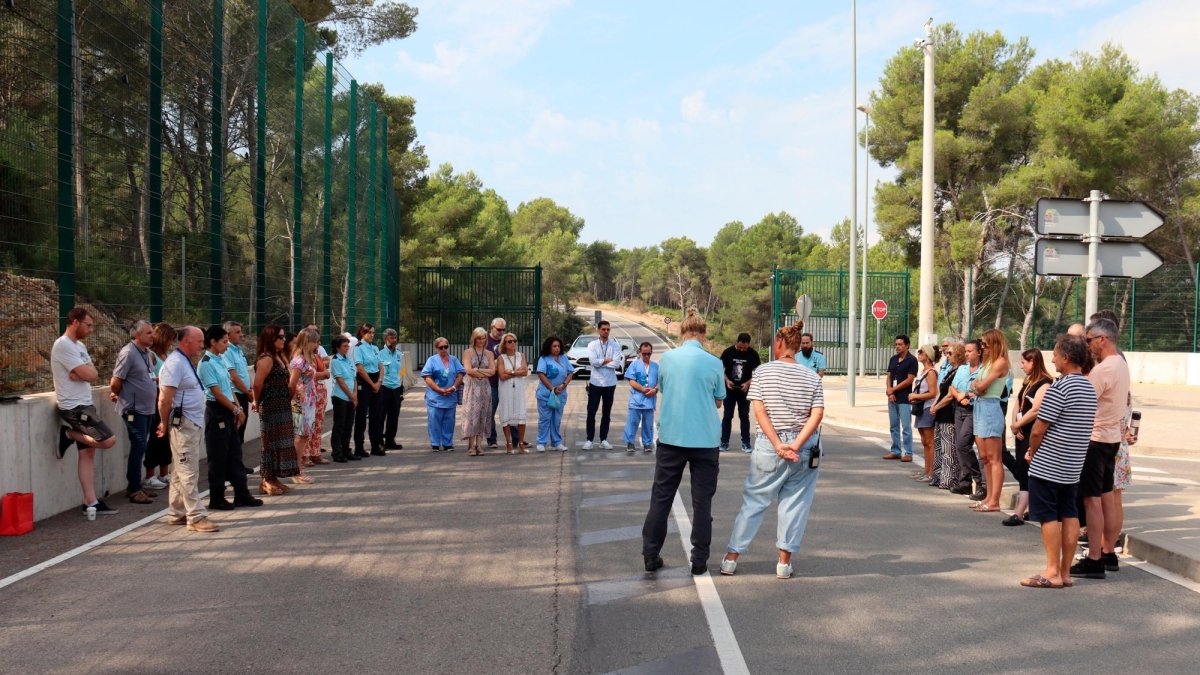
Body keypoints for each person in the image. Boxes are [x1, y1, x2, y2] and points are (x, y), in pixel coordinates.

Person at [720, 320, 824, 580]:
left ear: (779, 343)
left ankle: (732, 559)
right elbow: (818, 413)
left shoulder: (764, 372)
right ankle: (783, 563)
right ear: (799, 346)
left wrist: (778, 444)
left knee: (754, 501)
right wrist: (796, 444)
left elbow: (759, 411)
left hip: (771, 444)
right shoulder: (811, 376)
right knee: (795, 504)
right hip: (803, 446)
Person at [641, 309, 725, 576]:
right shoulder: (714, 362)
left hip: (672, 438)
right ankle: (699, 560)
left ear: (682, 332)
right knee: (702, 502)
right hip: (704, 440)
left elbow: (664, 389)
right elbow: (719, 399)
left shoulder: (667, 359)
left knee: (661, 498)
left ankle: (651, 554)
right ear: (703, 333)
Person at [1020, 334, 1096, 589]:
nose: (1052, 358)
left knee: (1048, 516)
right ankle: (1064, 572)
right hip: (1073, 464)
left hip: (1050, 462)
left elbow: (1039, 428)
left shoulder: (1060, 387)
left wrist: (1032, 451)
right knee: (1069, 513)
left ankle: (1052, 570)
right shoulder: (1088, 386)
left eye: (1054, 353)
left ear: (1066, 357)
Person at [1070, 317, 1130, 579]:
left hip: (1095, 440)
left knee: (1092, 501)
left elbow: (1082, 402)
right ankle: (1106, 552)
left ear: (1102, 339)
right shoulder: (1120, 364)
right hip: (1111, 439)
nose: (1087, 344)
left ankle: (1094, 558)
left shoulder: (1103, 370)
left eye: (1089, 340)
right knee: (1107, 498)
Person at [52, 307, 119, 516]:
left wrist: (83, 373)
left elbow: (93, 373)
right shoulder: (63, 345)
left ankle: (90, 501)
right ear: (75, 323)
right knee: (108, 441)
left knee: (88, 452)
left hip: (85, 403)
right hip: (73, 407)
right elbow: (88, 374)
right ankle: (68, 434)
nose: (91, 329)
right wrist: (84, 373)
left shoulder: (79, 345)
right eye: (88, 325)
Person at [155, 326, 217, 532]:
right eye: (199, 341)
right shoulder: (174, 364)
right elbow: (164, 398)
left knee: (180, 469)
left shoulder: (183, 362)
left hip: (192, 422)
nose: (202, 345)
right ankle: (196, 516)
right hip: (183, 424)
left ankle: (177, 512)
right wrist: (164, 422)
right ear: (186, 341)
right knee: (189, 469)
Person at [197, 325, 261, 510]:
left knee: (235, 454)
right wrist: (235, 410)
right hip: (217, 412)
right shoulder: (207, 363)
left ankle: (242, 494)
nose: (226, 345)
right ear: (213, 342)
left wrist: (238, 407)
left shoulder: (219, 360)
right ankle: (216, 498)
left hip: (230, 409)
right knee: (218, 457)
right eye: (224, 342)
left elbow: (229, 388)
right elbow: (217, 393)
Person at [108, 320, 157, 505]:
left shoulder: (146, 353)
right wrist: (120, 395)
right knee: (139, 446)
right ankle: (134, 488)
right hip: (133, 409)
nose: (152, 336)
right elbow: (116, 381)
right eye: (149, 333)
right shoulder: (128, 353)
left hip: (147, 408)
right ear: (137, 335)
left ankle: (137, 485)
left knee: (142, 445)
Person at [1003, 349, 1052, 526]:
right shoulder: (1029, 380)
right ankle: (1029, 509)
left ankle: (1020, 512)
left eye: (1024, 362)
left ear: (1033, 362)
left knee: (1030, 470)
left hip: (1033, 431)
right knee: (1024, 470)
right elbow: (1018, 402)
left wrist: (1019, 424)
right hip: (1022, 431)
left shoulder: (1045, 382)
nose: (1021, 366)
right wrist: (1014, 423)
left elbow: (1036, 409)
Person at [253, 325, 299, 494]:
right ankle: (266, 480)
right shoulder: (266, 359)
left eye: (283, 337)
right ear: (271, 339)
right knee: (270, 443)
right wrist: (256, 402)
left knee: (282, 442)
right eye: (280, 337)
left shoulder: (279, 357)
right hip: (271, 407)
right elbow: (257, 384)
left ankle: (274, 478)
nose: (284, 340)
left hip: (282, 405)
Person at [970, 329, 1011, 513]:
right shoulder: (988, 363)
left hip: (990, 407)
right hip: (980, 406)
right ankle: (988, 496)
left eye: (986, 344)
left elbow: (982, 387)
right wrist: (978, 386)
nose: (983, 347)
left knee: (995, 458)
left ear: (995, 343)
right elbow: (974, 385)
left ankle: (995, 500)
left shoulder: (1001, 362)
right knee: (985, 457)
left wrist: (978, 386)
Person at [289, 328, 326, 482]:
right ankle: (296, 472)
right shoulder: (299, 360)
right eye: (315, 342)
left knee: (304, 436)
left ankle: (298, 470)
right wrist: (297, 398)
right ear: (307, 342)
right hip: (301, 403)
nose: (317, 345)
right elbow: (292, 383)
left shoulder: (308, 358)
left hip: (309, 402)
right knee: (300, 437)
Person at [948, 340, 984, 497]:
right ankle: (965, 482)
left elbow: (979, 389)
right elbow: (953, 387)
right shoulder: (962, 369)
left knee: (964, 444)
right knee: (959, 446)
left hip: (973, 410)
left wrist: (967, 397)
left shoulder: (983, 370)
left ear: (979, 352)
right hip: (959, 408)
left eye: (970, 351)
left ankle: (980, 481)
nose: (967, 354)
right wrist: (959, 397)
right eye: (966, 351)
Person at [143, 322, 175, 490]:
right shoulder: (152, 355)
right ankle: (149, 474)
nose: (171, 343)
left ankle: (164, 471)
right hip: (156, 397)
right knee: (156, 437)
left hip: (167, 396)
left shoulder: (166, 355)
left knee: (166, 438)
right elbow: (147, 377)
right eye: (169, 339)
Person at [928, 343, 965, 490]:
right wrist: (935, 405)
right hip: (940, 413)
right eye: (946, 353)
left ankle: (949, 479)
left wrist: (937, 406)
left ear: (958, 354)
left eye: (950, 353)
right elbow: (942, 392)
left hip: (949, 413)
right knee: (939, 447)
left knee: (948, 448)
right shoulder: (950, 370)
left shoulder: (960, 371)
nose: (947, 356)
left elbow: (950, 395)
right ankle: (937, 476)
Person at [223, 321, 256, 477]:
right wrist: (248, 393)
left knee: (240, 433)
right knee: (234, 433)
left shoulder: (238, 350)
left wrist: (249, 391)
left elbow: (243, 373)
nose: (241, 334)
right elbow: (234, 377)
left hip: (244, 394)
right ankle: (231, 467)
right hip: (235, 396)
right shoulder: (227, 351)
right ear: (228, 335)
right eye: (237, 332)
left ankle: (237, 464)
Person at [720, 332, 761, 453]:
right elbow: (719, 370)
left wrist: (748, 383)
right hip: (729, 390)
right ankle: (724, 442)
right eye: (740, 347)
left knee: (744, 417)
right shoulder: (728, 352)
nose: (742, 350)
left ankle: (746, 443)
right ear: (737, 342)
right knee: (727, 416)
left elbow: (758, 372)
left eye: (745, 348)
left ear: (748, 344)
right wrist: (727, 380)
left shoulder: (753, 354)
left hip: (744, 391)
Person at [584, 320, 622, 450]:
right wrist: (606, 360)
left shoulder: (615, 345)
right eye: (603, 329)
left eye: (608, 329)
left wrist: (602, 362)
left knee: (606, 413)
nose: (606, 331)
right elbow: (593, 362)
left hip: (610, 383)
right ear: (598, 330)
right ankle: (589, 439)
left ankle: (603, 439)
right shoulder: (592, 345)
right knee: (591, 412)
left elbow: (616, 363)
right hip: (595, 382)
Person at [421, 337, 464, 451]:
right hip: (435, 396)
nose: (444, 349)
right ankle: (435, 443)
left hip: (451, 395)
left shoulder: (454, 360)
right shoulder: (431, 360)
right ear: (436, 348)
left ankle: (447, 443)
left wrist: (454, 387)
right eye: (441, 347)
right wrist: (439, 390)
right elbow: (427, 377)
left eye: (446, 347)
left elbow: (460, 374)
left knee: (449, 420)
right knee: (434, 420)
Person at [882, 334, 919, 462]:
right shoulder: (893, 359)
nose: (897, 347)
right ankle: (896, 451)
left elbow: (910, 379)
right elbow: (889, 376)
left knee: (906, 427)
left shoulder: (912, 360)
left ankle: (908, 452)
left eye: (900, 344)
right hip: (892, 398)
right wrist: (889, 391)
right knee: (893, 426)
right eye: (896, 344)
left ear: (907, 345)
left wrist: (894, 389)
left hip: (904, 398)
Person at [535, 336, 574, 453]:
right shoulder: (544, 359)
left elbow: (570, 372)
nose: (557, 348)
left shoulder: (564, 358)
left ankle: (556, 442)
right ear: (549, 347)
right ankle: (541, 442)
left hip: (560, 394)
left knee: (556, 419)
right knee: (545, 418)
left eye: (558, 346)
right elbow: (541, 374)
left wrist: (564, 384)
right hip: (546, 394)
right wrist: (552, 388)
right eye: (554, 346)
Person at [462, 327, 496, 456]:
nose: (481, 341)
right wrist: (481, 371)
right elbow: (468, 370)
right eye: (479, 338)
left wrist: (477, 370)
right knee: (471, 415)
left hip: (485, 387)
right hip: (472, 387)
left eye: (483, 338)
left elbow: (493, 371)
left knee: (483, 414)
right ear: (474, 339)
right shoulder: (468, 352)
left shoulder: (489, 353)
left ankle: (479, 445)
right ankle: (471, 446)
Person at [908, 345, 940, 482]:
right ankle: (926, 470)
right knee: (924, 441)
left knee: (929, 441)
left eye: (921, 351)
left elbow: (933, 393)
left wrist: (915, 397)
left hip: (927, 408)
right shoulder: (923, 371)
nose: (918, 353)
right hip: (921, 408)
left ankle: (931, 472)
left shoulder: (931, 372)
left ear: (928, 355)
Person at [352, 323, 383, 458]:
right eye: (369, 332)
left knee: (376, 415)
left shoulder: (375, 348)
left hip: (376, 380)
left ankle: (375, 445)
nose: (372, 335)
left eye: (373, 332)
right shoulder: (358, 348)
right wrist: (372, 384)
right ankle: (359, 447)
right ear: (362, 333)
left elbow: (381, 366)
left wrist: (379, 382)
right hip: (365, 381)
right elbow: (360, 368)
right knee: (361, 415)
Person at [303, 323, 331, 465]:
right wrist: (322, 373)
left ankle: (316, 452)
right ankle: (305, 455)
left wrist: (322, 373)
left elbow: (325, 368)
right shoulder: (301, 356)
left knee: (318, 423)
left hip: (319, 391)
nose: (318, 344)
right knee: (308, 424)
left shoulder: (317, 354)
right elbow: (308, 375)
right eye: (315, 341)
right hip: (307, 394)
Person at [496, 332, 530, 453]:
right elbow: (502, 376)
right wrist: (516, 372)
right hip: (505, 389)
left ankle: (521, 443)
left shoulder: (521, 355)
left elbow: (525, 372)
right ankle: (509, 443)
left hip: (519, 388)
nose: (513, 343)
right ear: (504, 344)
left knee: (521, 414)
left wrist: (510, 372)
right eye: (509, 341)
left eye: (514, 341)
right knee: (506, 414)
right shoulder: (501, 358)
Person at [623, 342, 659, 453]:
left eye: (649, 354)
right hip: (636, 399)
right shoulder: (634, 365)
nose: (647, 356)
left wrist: (655, 390)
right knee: (632, 422)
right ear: (640, 353)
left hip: (650, 400)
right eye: (644, 354)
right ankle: (630, 443)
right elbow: (631, 380)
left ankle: (647, 443)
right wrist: (642, 389)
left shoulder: (656, 366)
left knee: (648, 424)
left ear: (651, 353)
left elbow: (660, 381)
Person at [328, 335, 357, 463]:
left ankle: (346, 450)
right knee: (339, 425)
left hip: (351, 397)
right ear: (337, 347)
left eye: (348, 345)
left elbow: (354, 378)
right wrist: (351, 396)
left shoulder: (348, 359)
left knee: (348, 425)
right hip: (341, 397)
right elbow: (340, 380)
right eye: (344, 346)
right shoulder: (335, 361)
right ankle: (337, 452)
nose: (347, 348)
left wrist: (355, 394)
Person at [378, 328, 405, 451]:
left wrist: (401, 387)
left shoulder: (399, 354)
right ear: (385, 339)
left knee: (394, 416)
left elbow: (402, 371)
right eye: (391, 338)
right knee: (380, 416)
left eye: (395, 338)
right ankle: (378, 441)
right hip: (384, 388)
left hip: (396, 388)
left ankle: (390, 440)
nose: (394, 340)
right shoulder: (379, 353)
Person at [485, 317, 507, 448]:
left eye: (503, 330)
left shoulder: (507, 340)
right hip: (491, 383)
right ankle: (492, 439)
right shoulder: (484, 341)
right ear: (492, 327)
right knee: (490, 412)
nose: (501, 332)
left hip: (506, 381)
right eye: (499, 329)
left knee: (510, 410)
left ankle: (516, 439)